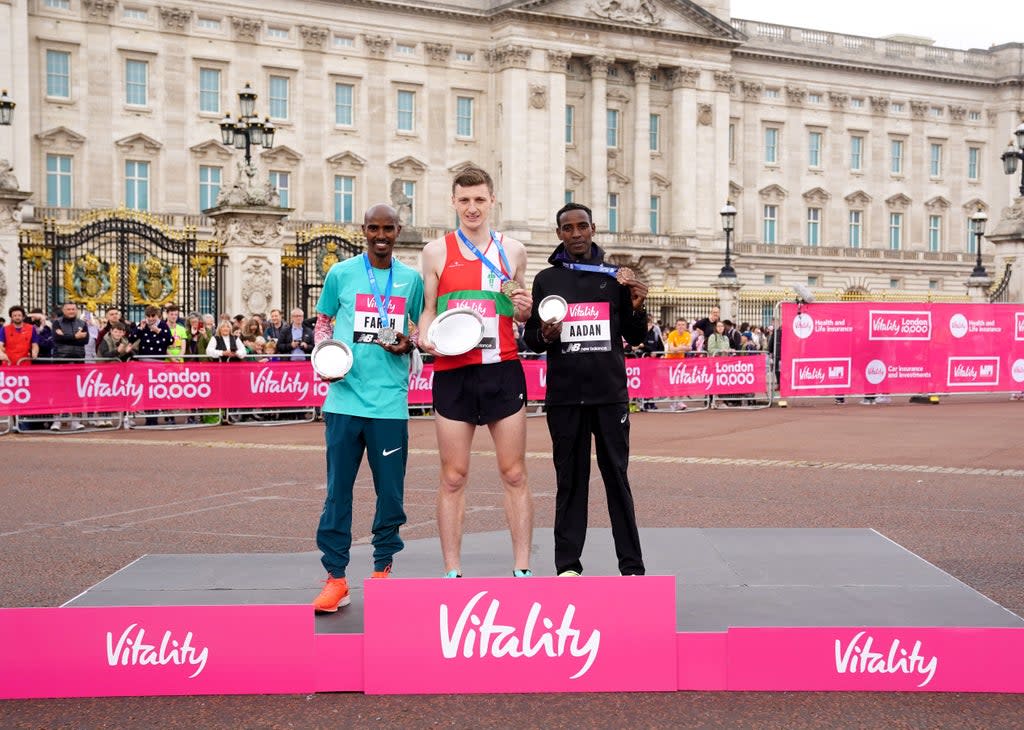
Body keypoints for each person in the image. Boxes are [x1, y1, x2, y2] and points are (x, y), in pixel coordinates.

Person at [418, 165, 534, 578]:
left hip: (502, 368)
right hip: (454, 372)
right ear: (453, 202)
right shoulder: (436, 251)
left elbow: (522, 309)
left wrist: (524, 310)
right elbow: (428, 309)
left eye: (479, 200)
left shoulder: (513, 250)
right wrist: (424, 336)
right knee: (453, 476)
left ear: (492, 202)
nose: (472, 208)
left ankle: (522, 568)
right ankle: (452, 571)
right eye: (464, 200)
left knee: (515, 472)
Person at [523, 202, 648, 577]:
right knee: (570, 482)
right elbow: (532, 338)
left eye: (582, 226)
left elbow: (636, 335)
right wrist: (544, 334)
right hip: (565, 397)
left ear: (593, 228)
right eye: (568, 228)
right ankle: (567, 566)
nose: (576, 234)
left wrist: (639, 306)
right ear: (559, 233)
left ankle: (631, 566)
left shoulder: (614, 278)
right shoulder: (547, 279)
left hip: (609, 395)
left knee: (617, 479)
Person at [311, 204, 424, 612]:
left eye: (388, 228)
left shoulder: (410, 279)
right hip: (343, 400)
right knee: (338, 493)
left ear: (398, 231)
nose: (381, 235)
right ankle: (336, 578)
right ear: (363, 231)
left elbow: (416, 328)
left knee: (390, 495)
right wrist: (325, 355)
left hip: (389, 404)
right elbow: (323, 322)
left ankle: (383, 571)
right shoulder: (340, 273)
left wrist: (409, 342)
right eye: (374, 228)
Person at [51, 302, 89, 430]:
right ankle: (57, 420)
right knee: (58, 391)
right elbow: (57, 339)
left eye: (73, 309)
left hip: (78, 360)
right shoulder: (57, 322)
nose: (71, 311)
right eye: (68, 309)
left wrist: (67, 337)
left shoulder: (82, 323)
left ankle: (75, 421)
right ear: (64, 310)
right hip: (61, 360)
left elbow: (85, 340)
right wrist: (75, 337)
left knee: (76, 392)